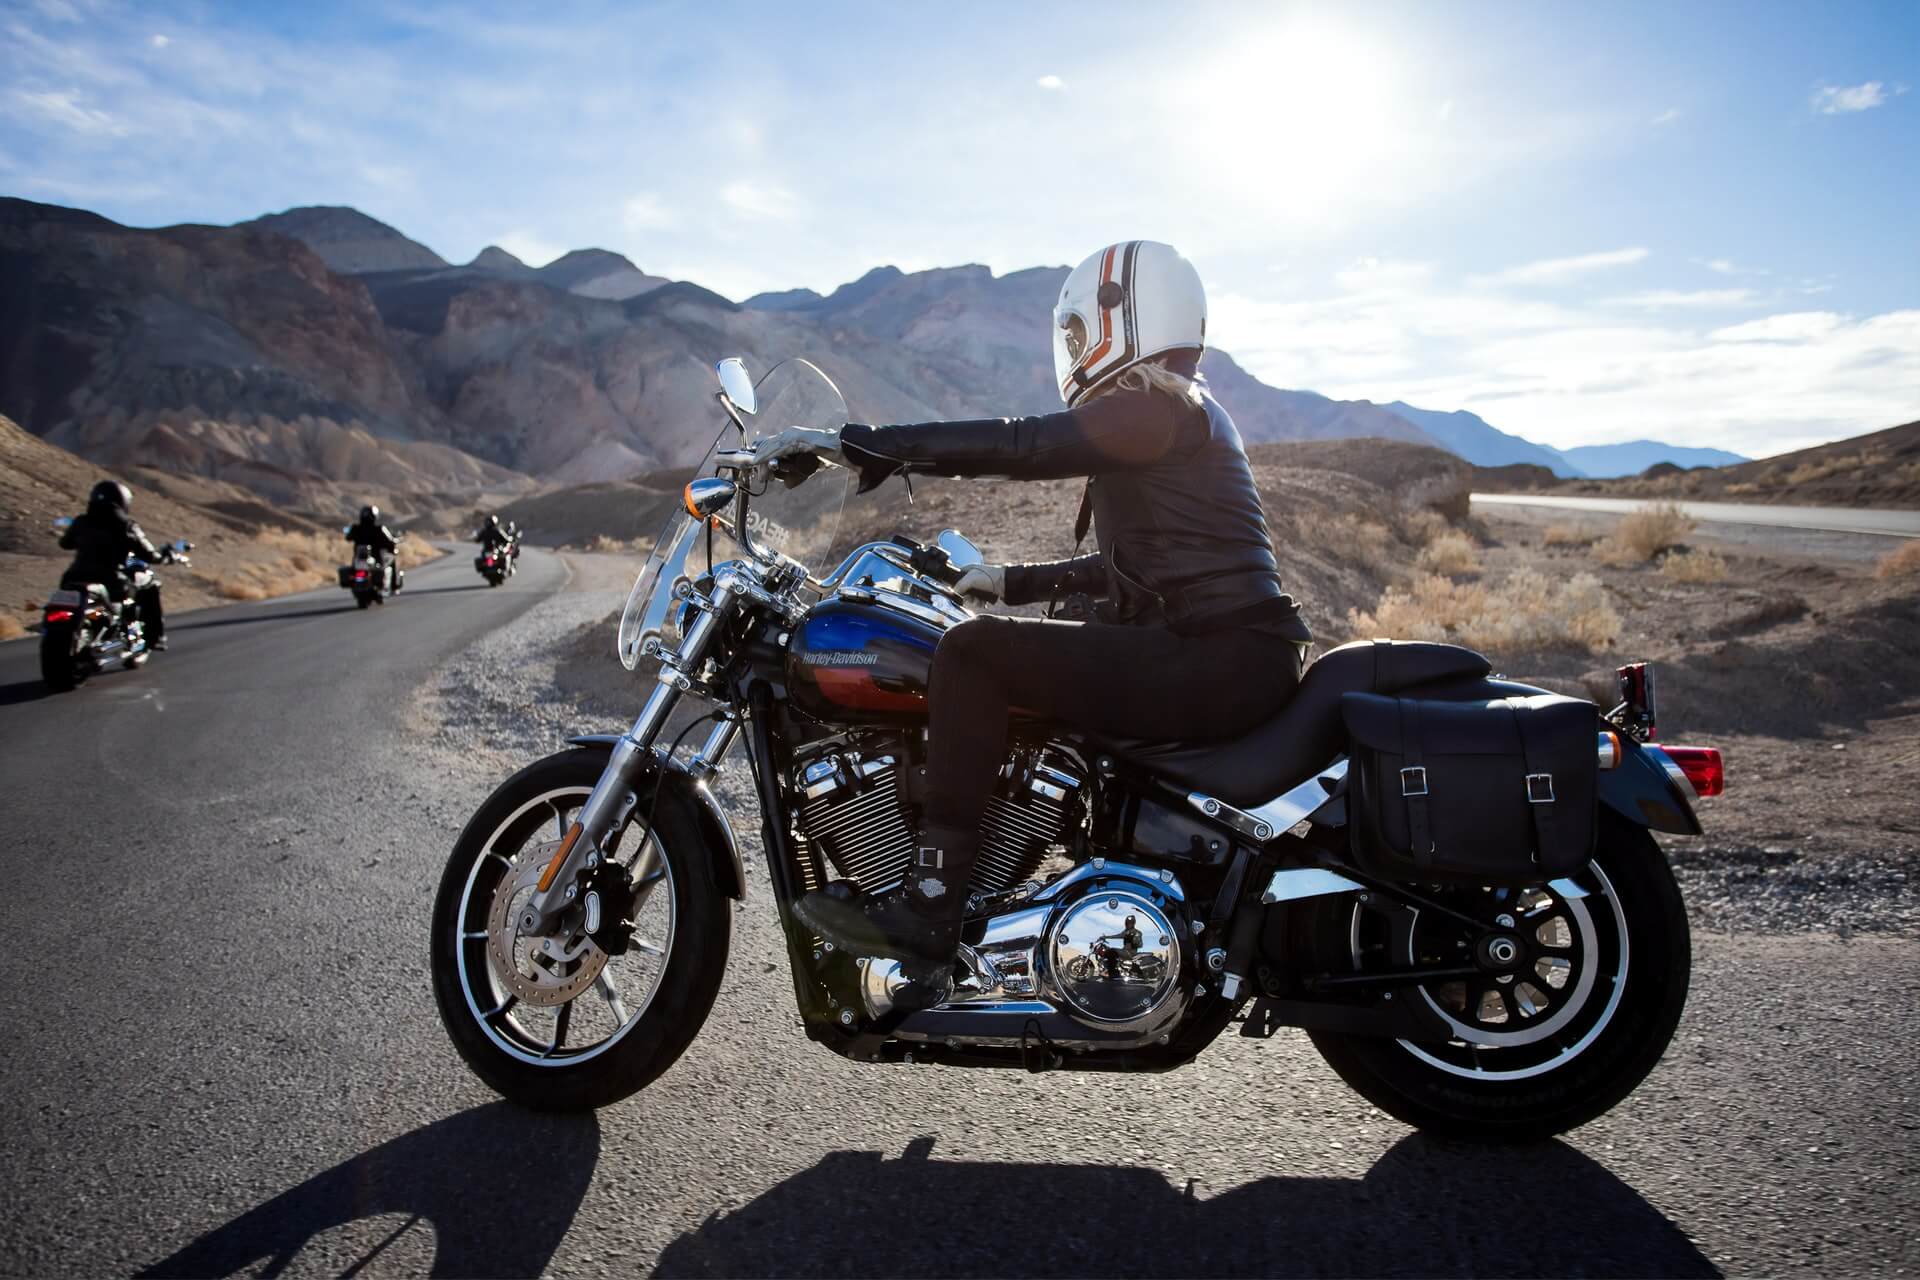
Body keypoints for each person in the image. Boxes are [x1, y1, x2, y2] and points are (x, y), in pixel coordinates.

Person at [749, 240, 1313, 989]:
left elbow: (1024, 444)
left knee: (973, 657)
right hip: (1225, 651)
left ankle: (931, 905)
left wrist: (868, 448)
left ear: (1128, 317)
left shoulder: (1154, 409)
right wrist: (1001, 582)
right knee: (998, 643)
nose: (1074, 350)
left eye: (1079, 333)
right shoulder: (1178, 411)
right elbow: (1132, 572)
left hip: (1216, 657)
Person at [59, 480, 176, 650]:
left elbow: (65, 544)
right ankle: (155, 636)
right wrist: (165, 557)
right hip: (110, 578)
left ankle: (101, 627)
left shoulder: (81, 522)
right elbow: (150, 555)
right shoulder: (126, 526)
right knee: (148, 586)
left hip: (73, 577)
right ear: (122, 501)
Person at [346, 505, 401, 593]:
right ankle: (393, 586)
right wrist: (395, 540)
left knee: (355, 567)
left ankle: (386, 586)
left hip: (359, 557)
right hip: (375, 557)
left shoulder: (356, 528)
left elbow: (348, 538)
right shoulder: (379, 529)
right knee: (388, 562)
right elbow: (390, 540)